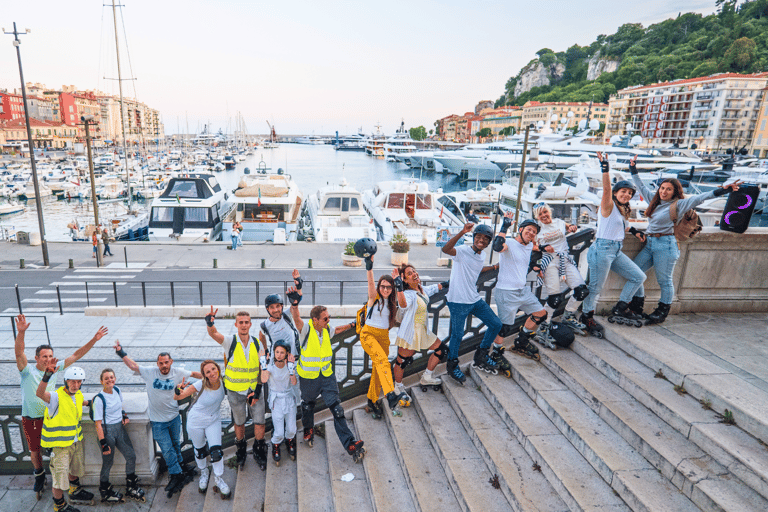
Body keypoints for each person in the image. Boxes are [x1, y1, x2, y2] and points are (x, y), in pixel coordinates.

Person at [626, 156, 741, 324]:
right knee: (635, 272)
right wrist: (633, 168)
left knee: (664, 281)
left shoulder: (679, 205)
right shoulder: (654, 200)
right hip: (649, 244)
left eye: (668, 189)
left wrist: (723, 190)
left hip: (666, 246)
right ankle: (637, 307)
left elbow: (700, 198)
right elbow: (640, 185)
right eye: (662, 188)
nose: (663, 192)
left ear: (675, 192)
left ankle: (662, 311)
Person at [15, 314, 107, 500]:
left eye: (50, 356)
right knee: (35, 451)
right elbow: (19, 352)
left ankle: (69, 486)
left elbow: (76, 355)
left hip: (53, 419)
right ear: (36, 358)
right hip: (32, 418)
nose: (48, 359)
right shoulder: (27, 371)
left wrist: (94, 340)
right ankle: (39, 475)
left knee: (59, 453)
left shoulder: (55, 368)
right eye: (44, 357)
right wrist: (22, 333)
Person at [286, 268, 366, 462]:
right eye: (325, 318)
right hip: (309, 379)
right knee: (307, 407)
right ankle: (308, 430)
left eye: (328, 318)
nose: (328, 320)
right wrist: (295, 303)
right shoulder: (306, 330)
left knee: (337, 410)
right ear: (315, 320)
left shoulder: (327, 329)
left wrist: (351, 326)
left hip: (327, 377)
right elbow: (296, 319)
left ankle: (351, 444)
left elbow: (336, 330)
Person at [113, 341, 202, 495]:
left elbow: (195, 374)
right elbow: (133, 366)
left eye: (166, 362)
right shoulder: (151, 372)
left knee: (175, 445)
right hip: (158, 420)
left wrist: (214, 378)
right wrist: (121, 352)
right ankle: (176, 475)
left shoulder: (178, 372)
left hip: (174, 417)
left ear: (171, 362)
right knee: (167, 449)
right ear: (157, 364)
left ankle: (180, 466)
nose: (164, 366)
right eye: (161, 363)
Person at [580, 152, 647, 336]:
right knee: (595, 288)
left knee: (638, 277)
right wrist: (605, 168)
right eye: (623, 191)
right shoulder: (608, 206)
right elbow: (606, 189)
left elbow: (622, 227)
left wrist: (634, 231)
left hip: (615, 250)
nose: (626, 194)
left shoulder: (622, 211)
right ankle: (586, 317)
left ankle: (621, 306)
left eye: (629, 193)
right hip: (602, 249)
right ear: (616, 193)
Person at [204, 307, 268, 470]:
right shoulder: (230, 341)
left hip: (254, 390)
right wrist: (210, 323)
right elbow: (214, 334)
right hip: (235, 392)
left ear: (250, 324)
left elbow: (263, 367)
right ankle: (241, 451)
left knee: (260, 422)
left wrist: (258, 390)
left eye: (247, 322)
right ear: (236, 324)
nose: (244, 325)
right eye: (241, 323)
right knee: (239, 423)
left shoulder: (256, 342)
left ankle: (259, 450)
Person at [441, 222, 503, 384]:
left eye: (485, 239)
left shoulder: (481, 255)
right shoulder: (462, 251)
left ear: (488, 243)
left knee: (496, 324)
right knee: (457, 335)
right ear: (474, 237)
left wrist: (494, 267)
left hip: (473, 299)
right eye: (479, 237)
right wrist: (462, 232)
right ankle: (452, 365)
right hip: (457, 301)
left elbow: (477, 268)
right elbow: (445, 249)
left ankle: (481, 354)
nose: (481, 240)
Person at [36, 362, 93, 512]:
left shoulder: (78, 395)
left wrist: (95, 402)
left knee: (74, 469)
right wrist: (47, 376)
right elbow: (40, 394)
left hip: (75, 442)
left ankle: (75, 492)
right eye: (72, 381)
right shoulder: (56, 397)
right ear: (66, 381)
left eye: (79, 382)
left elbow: (83, 402)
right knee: (60, 478)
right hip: (59, 446)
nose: (75, 385)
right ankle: (59, 505)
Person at [490, 214, 544, 362]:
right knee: (504, 328)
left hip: (522, 290)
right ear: (520, 229)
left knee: (541, 314)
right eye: (529, 229)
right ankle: (496, 353)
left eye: (534, 231)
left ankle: (521, 341)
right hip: (506, 291)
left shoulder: (528, 247)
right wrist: (504, 226)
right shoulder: (509, 243)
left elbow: (532, 255)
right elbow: (497, 247)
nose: (531, 233)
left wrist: (536, 267)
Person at [173, 360, 230, 499]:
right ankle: (204, 472)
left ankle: (218, 478)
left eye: (213, 369)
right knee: (199, 450)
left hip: (213, 420)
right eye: (208, 372)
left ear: (218, 369)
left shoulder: (224, 381)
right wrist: (178, 389)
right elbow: (178, 397)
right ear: (204, 375)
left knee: (216, 452)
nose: (212, 373)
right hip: (196, 421)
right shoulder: (200, 384)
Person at [531, 203, 590, 337]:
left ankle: (568, 315)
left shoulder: (559, 222)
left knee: (582, 290)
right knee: (555, 298)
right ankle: (544, 326)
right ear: (537, 217)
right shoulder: (537, 229)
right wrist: (542, 248)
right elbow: (530, 245)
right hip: (549, 262)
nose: (543, 216)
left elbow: (570, 227)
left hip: (565, 259)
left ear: (549, 211)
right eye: (540, 214)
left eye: (545, 212)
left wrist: (573, 228)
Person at [391, 264, 446, 396]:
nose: (414, 274)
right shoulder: (408, 294)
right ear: (405, 280)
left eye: (414, 271)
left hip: (423, 332)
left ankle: (427, 376)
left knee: (441, 349)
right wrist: (398, 287)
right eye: (410, 274)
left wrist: (446, 284)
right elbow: (403, 304)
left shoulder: (421, 289)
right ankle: (397, 386)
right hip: (411, 333)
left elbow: (433, 289)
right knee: (402, 361)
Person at [93, 368, 145, 504]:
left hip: (119, 428)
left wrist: (124, 415)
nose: (110, 380)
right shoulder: (99, 399)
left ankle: (131, 486)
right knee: (108, 462)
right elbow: (97, 424)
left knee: (131, 455)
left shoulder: (117, 390)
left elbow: (119, 406)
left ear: (115, 378)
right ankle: (105, 491)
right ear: (101, 381)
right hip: (107, 432)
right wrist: (103, 443)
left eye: (111, 377)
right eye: (106, 378)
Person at [259, 294, 301, 410]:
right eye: (272, 307)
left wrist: (298, 284)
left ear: (282, 306)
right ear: (267, 309)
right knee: (276, 390)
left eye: (278, 306)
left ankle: (295, 418)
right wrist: (266, 350)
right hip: (277, 363)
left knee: (296, 390)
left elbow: (295, 304)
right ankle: (277, 419)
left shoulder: (286, 315)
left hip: (293, 361)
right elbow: (261, 336)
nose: (276, 309)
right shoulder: (265, 325)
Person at [260, 340, 298, 465]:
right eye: (277, 352)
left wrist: (292, 369)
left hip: (289, 399)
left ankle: (290, 440)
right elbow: (264, 379)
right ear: (274, 352)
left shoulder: (290, 366)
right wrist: (263, 366)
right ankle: (276, 444)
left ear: (287, 353)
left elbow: (293, 383)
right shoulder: (270, 367)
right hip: (276, 400)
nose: (279, 355)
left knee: (292, 428)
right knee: (279, 430)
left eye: (282, 352)